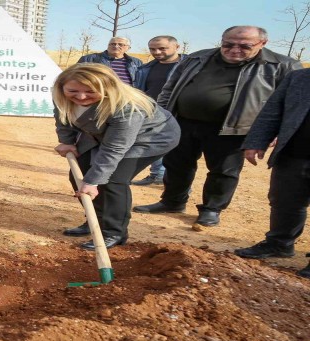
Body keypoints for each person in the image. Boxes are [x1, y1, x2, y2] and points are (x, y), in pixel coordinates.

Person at [133, 26, 302, 230]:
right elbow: (170, 87)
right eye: (228, 44)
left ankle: (211, 209)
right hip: (183, 122)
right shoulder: (197, 58)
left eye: (244, 45)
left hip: (233, 128)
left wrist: (274, 131)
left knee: (224, 170)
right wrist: (163, 116)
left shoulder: (281, 65)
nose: (234, 49)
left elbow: (290, 104)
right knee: (177, 163)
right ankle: (172, 201)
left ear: (262, 43)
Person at [53, 63, 180, 250]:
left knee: (111, 180)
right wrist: (67, 141)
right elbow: (63, 117)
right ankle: (95, 221)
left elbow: (114, 148)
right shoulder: (62, 94)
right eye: (73, 91)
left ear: (108, 88)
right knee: (79, 175)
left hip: (149, 138)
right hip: (100, 132)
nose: (80, 97)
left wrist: (95, 180)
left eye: (90, 91)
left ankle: (113, 232)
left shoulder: (128, 108)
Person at [233, 68, 310, 279]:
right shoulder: (299, 77)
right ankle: (279, 243)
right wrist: (257, 141)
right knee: (284, 201)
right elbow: (273, 110)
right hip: (294, 153)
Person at [132, 35, 186, 186]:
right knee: (154, 144)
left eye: (162, 48)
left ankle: (177, 187)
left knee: (179, 153)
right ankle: (157, 175)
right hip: (151, 113)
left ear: (177, 47)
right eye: (152, 49)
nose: (157, 52)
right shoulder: (145, 68)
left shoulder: (189, 66)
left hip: (179, 113)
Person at [77, 37, 142, 86]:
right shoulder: (89, 59)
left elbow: (140, 82)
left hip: (127, 98)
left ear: (128, 48)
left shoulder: (136, 62)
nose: (116, 46)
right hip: (100, 96)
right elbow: (76, 76)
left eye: (120, 44)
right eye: (112, 44)